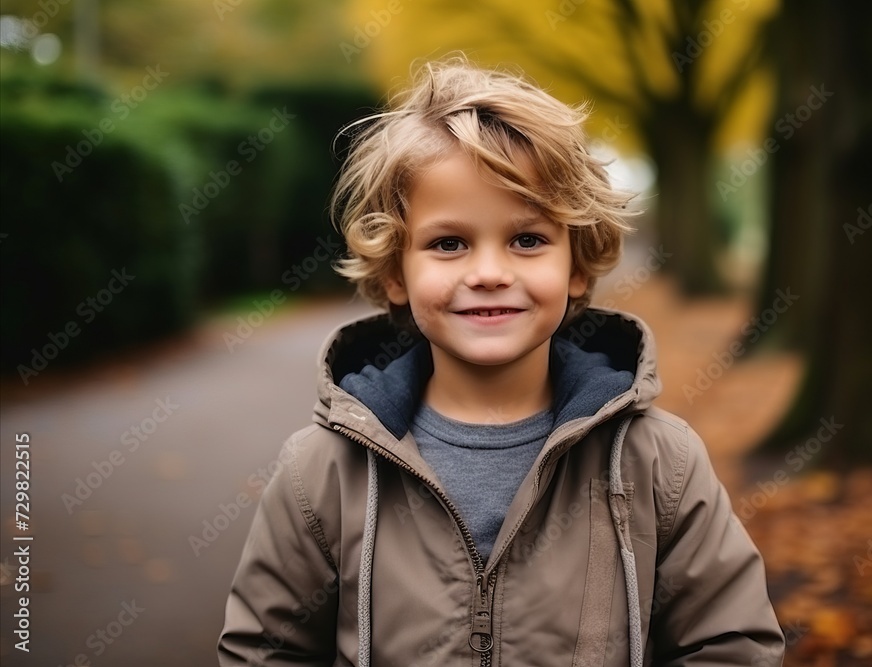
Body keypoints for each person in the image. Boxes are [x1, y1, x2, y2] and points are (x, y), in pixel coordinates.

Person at [219, 57, 784, 667]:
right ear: (395, 273)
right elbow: (264, 652)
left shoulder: (656, 464)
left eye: (527, 239)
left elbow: (732, 644)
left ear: (576, 265)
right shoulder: (321, 472)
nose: (489, 274)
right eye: (448, 244)